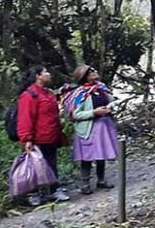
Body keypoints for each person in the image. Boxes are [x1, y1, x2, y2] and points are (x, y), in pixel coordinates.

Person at [16, 65, 71, 205]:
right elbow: (25, 118)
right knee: (34, 166)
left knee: (51, 164)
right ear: (38, 76)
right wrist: (26, 138)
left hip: (51, 136)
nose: (49, 74)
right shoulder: (29, 95)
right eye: (45, 72)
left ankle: (54, 191)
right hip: (36, 138)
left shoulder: (49, 94)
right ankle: (33, 194)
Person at [61, 65, 118, 195]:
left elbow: (112, 100)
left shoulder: (101, 88)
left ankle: (101, 180)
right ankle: (85, 184)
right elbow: (75, 114)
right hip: (88, 129)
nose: (95, 72)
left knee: (101, 155)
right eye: (91, 72)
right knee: (86, 157)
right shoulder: (79, 94)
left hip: (104, 127)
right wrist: (94, 112)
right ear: (85, 76)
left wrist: (110, 106)